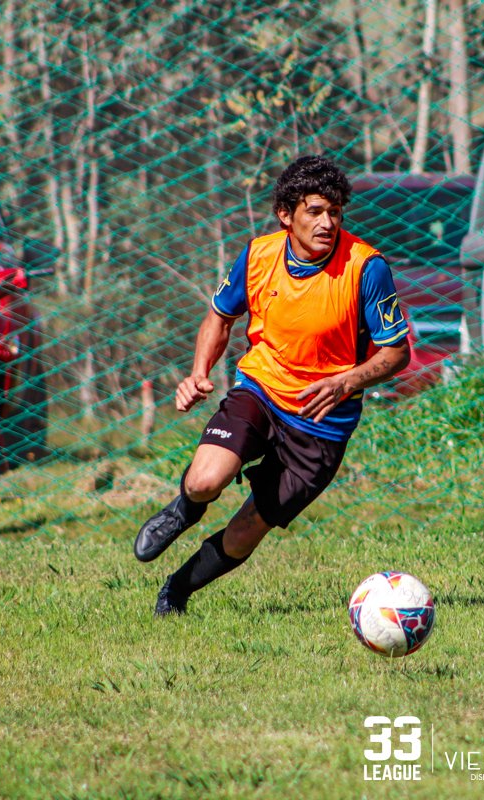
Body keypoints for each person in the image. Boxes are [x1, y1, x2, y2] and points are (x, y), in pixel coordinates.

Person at [134, 155, 410, 616]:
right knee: (204, 481)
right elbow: (221, 317)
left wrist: (345, 381)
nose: (327, 223)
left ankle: (176, 589)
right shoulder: (259, 255)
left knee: (246, 531)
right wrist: (199, 372)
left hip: (323, 423)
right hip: (261, 390)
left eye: (335, 212)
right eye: (314, 211)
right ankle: (186, 508)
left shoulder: (366, 267)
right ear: (286, 215)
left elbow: (396, 353)